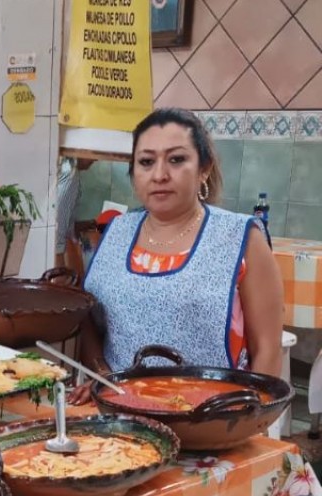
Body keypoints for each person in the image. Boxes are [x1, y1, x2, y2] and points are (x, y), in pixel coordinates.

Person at [71, 108, 283, 403]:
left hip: (212, 419)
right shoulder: (117, 231)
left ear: (204, 168)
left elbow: (268, 349)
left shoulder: (241, 238)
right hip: (119, 417)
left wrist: (248, 420)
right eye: (146, 162)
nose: (159, 175)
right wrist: (102, 375)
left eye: (177, 159)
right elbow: (88, 319)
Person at [54, 156, 93, 267]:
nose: (95, 160)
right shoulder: (70, 173)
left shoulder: (63, 166)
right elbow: (58, 227)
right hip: (57, 253)